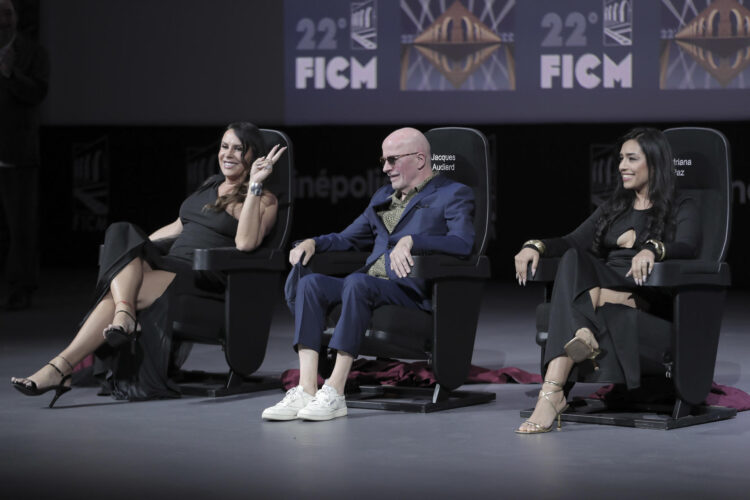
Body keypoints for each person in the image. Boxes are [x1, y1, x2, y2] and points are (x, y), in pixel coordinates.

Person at [11, 122, 286, 406]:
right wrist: (134, 251)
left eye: (238, 148)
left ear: (253, 156)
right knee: (120, 232)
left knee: (120, 284)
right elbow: (178, 226)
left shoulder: (265, 199)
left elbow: (245, 244)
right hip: (170, 264)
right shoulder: (210, 185)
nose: (228, 154)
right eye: (224, 146)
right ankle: (120, 319)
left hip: (201, 276)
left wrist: (255, 183)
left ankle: (61, 367)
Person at [263, 127, 475, 422]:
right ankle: (307, 388)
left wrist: (414, 241)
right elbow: (349, 238)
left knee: (357, 282)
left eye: (392, 160)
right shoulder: (383, 197)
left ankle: (335, 391)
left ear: (419, 159)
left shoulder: (452, 193)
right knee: (311, 284)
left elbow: (463, 244)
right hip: (368, 282)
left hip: (410, 290)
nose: (385, 168)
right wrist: (313, 242)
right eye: (383, 161)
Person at [513, 127, 700, 434]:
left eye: (631, 159)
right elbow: (572, 241)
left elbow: (688, 246)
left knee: (581, 284)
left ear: (654, 163)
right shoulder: (614, 207)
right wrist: (535, 245)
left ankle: (551, 393)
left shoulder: (682, 205)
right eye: (620, 159)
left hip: (645, 292)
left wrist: (653, 249)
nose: (622, 166)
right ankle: (588, 317)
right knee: (573, 259)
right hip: (605, 280)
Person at [0, 0, 49, 310]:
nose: (2, 19)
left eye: (7, 12)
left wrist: (10, 74)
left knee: (20, 226)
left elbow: (39, 92)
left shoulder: (33, 52)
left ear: (16, 17)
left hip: (17, 152)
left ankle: (22, 288)